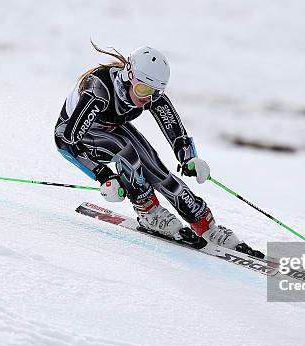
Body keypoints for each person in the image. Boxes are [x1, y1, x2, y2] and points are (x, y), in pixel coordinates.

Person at [55, 42, 262, 257]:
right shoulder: (99, 91)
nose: (148, 98)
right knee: (127, 153)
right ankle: (148, 211)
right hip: (75, 135)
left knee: (156, 168)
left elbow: (173, 127)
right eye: (143, 90)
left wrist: (188, 158)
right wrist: (104, 175)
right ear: (129, 77)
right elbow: (67, 142)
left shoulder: (149, 92)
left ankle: (206, 226)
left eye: (156, 92)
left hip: (112, 128)